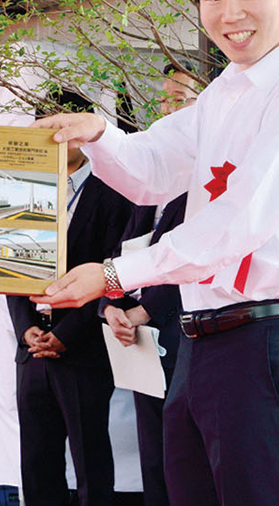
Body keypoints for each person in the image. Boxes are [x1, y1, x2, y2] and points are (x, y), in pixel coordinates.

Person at [32, 0, 279, 506]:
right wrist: (99, 133)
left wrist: (112, 276)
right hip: (198, 343)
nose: (229, 13)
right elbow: (152, 170)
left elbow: (239, 221)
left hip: (264, 343)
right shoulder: (225, 91)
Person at [7, 141, 132, 506]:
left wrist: (65, 335)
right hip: (32, 348)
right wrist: (24, 328)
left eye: (65, 133)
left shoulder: (113, 192)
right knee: (36, 462)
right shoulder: (26, 190)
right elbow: (9, 263)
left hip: (83, 347)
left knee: (89, 461)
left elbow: (114, 270)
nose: (57, 144)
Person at [102, 59, 199, 506]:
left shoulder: (207, 180)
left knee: (186, 465)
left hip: (184, 336)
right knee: (153, 462)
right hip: (141, 340)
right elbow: (124, 252)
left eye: (179, 100)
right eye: (163, 99)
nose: (167, 109)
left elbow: (199, 257)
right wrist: (114, 306)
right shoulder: (151, 187)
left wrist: (146, 308)